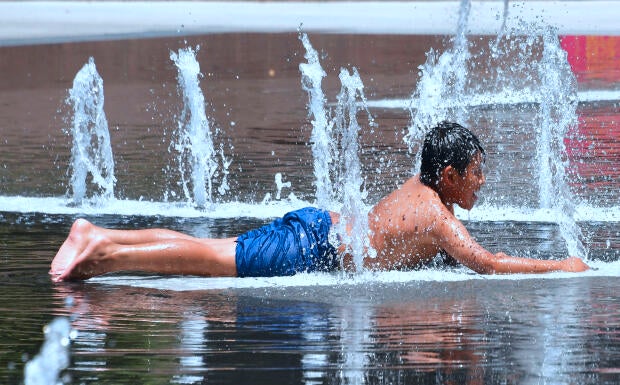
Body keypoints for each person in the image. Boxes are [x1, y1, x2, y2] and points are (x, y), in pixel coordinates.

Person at [49, 122, 589, 282]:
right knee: (209, 259)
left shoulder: (420, 190)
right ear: (448, 175)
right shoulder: (438, 217)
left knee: (210, 248)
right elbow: (489, 263)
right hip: (312, 249)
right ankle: (101, 255)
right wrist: (561, 265)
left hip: (317, 228)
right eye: (475, 174)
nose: (482, 183)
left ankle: (100, 236)